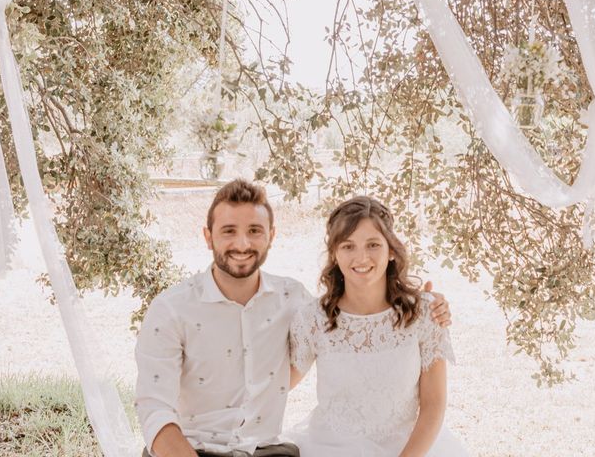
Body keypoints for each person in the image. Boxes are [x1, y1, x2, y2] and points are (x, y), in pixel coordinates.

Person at [135, 179, 453, 457]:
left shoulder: (294, 301)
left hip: (272, 452)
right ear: (208, 237)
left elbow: (431, 401)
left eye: (254, 231)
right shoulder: (172, 309)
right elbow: (154, 411)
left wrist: (429, 304)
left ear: (271, 235)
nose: (242, 244)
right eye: (229, 231)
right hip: (194, 449)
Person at [288, 196, 468, 456]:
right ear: (335, 255)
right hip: (328, 447)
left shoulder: (425, 313)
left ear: (391, 250)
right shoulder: (313, 319)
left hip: (410, 449)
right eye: (348, 246)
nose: (361, 257)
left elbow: (434, 404)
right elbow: (276, 387)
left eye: (373, 244)